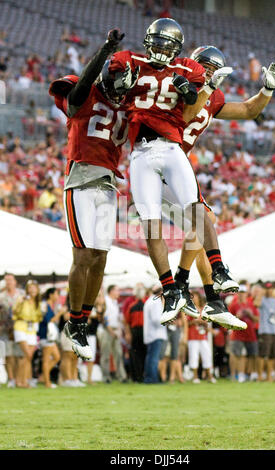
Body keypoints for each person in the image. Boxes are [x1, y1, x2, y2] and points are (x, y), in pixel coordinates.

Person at [109, 18, 233, 325]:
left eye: (169, 45)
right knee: (150, 225)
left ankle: (218, 270)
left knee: (197, 210)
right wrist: (118, 79)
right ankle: (172, 289)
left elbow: (192, 103)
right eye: (159, 43)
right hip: (140, 152)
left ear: (178, 49)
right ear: (149, 42)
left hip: (172, 148)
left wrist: (190, 92)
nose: (163, 50)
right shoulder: (131, 60)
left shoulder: (187, 69)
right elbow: (111, 75)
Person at [164, 46, 275, 329]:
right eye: (204, 67)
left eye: (213, 70)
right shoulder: (178, 84)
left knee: (205, 223)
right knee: (204, 220)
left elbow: (247, 109)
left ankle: (212, 300)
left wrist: (267, 90)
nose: (208, 73)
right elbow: (183, 114)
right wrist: (202, 87)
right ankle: (182, 285)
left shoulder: (213, 95)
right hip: (161, 158)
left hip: (178, 165)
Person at [49, 29, 126, 360]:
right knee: (82, 256)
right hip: (80, 177)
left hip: (108, 183)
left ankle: (82, 322)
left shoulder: (127, 107)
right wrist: (106, 49)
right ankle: (73, 321)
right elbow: (81, 87)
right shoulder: (84, 94)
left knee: (100, 259)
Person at [12, 280, 42, 388]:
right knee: (27, 354)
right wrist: (20, 302)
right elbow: (14, 311)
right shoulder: (21, 299)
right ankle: (20, 381)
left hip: (32, 329)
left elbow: (39, 317)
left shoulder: (38, 303)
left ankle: (22, 381)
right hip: (20, 327)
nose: (32, 290)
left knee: (27, 357)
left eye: (34, 287)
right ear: (27, 289)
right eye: (30, 287)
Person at [228, 285, 259, 382]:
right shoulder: (233, 305)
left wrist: (250, 314)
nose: (242, 295)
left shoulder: (250, 304)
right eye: (240, 292)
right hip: (237, 334)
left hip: (250, 333)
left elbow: (257, 319)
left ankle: (251, 374)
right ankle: (238, 374)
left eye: (243, 292)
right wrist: (237, 317)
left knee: (253, 354)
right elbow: (228, 320)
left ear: (246, 294)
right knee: (237, 355)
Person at [38, 288, 66, 388]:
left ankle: (43, 376)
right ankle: (47, 382)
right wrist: (60, 313)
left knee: (57, 357)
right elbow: (49, 320)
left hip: (50, 336)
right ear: (50, 295)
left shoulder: (51, 305)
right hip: (45, 335)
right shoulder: (44, 305)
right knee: (46, 359)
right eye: (56, 294)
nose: (58, 297)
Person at [99, 285, 127, 383]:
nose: (118, 293)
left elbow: (118, 318)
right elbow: (103, 318)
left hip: (115, 330)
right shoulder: (105, 301)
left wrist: (118, 330)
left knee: (118, 354)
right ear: (111, 291)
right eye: (117, 290)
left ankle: (121, 376)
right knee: (105, 354)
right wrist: (111, 331)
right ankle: (106, 377)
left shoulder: (115, 302)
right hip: (107, 330)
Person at [255, 283, 275, 382]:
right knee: (262, 354)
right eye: (267, 288)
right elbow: (256, 304)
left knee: (272, 355)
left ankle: (269, 377)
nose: (269, 290)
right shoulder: (262, 299)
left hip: (274, 331)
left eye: (270, 288)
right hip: (265, 330)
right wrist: (261, 294)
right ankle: (259, 376)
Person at [187, 292, 216, 383]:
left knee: (207, 355)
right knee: (194, 356)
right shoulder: (189, 310)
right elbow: (186, 323)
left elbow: (208, 323)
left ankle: (209, 376)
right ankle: (195, 377)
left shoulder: (203, 309)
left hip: (203, 335)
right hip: (193, 336)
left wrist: (204, 323)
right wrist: (194, 322)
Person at [0, 273, 22, 388]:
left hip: (19, 328)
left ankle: (18, 378)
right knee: (8, 355)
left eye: (10, 280)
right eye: (6, 280)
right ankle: (11, 379)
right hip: (4, 330)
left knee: (19, 354)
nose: (8, 282)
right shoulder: (1, 296)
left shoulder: (21, 295)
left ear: (15, 281)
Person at [143, 284, 167, 384]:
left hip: (152, 334)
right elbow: (156, 319)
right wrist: (167, 321)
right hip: (156, 335)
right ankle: (152, 379)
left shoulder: (150, 301)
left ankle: (149, 378)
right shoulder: (156, 302)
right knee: (154, 358)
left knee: (150, 357)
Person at [123, 283, 147, 383]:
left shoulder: (143, 304)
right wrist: (128, 333)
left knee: (139, 354)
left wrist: (128, 333)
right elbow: (126, 322)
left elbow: (126, 322)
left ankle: (139, 376)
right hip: (138, 331)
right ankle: (138, 376)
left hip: (140, 331)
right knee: (139, 354)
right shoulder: (135, 305)